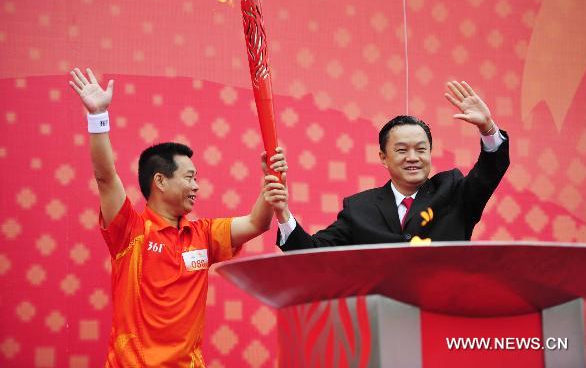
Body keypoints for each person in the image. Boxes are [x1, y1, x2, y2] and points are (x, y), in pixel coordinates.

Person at [68, 68, 288, 367]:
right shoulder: (130, 231)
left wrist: (271, 179)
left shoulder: (203, 234)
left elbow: (256, 223)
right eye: (189, 177)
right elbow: (105, 178)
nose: (197, 186)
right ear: (160, 181)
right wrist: (98, 118)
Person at [272, 81, 509, 250]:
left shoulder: (454, 192)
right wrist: (283, 213)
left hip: (441, 311)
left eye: (421, 149)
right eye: (402, 150)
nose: (413, 157)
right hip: (382, 314)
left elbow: (489, 171)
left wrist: (487, 128)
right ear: (383, 157)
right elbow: (312, 253)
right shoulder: (359, 208)